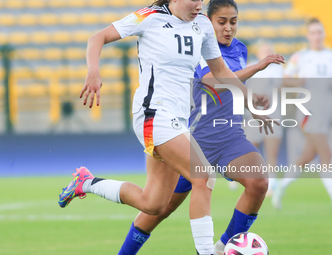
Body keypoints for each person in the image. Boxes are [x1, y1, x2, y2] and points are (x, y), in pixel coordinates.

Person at [57, 1, 273, 254]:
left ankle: (87, 182)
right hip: (153, 113)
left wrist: (250, 99)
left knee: (153, 204)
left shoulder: (202, 24)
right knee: (203, 176)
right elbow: (98, 37)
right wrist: (93, 70)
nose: (199, 5)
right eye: (195, 0)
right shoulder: (150, 16)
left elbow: (222, 71)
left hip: (178, 121)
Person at [116, 1, 285, 255]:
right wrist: (257, 67)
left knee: (259, 182)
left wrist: (253, 104)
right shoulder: (194, 41)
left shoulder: (240, 49)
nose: (228, 28)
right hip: (195, 139)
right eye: (222, 22)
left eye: (233, 21)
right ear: (207, 20)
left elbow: (231, 89)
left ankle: (219, 248)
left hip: (229, 138)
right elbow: (212, 82)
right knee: (158, 209)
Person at [272, 18, 332, 210]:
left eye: (319, 32)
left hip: (325, 113)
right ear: (308, 35)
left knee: (307, 156)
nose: (317, 36)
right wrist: (297, 82)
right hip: (308, 113)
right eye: (313, 33)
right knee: (326, 153)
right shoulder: (300, 57)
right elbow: (283, 81)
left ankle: (280, 187)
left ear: (324, 34)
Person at [244, 40, 284, 196]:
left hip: (273, 113)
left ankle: (271, 186)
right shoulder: (251, 67)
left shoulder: (277, 70)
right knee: (251, 152)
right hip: (253, 115)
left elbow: (279, 89)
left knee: (271, 152)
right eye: (263, 50)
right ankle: (251, 181)